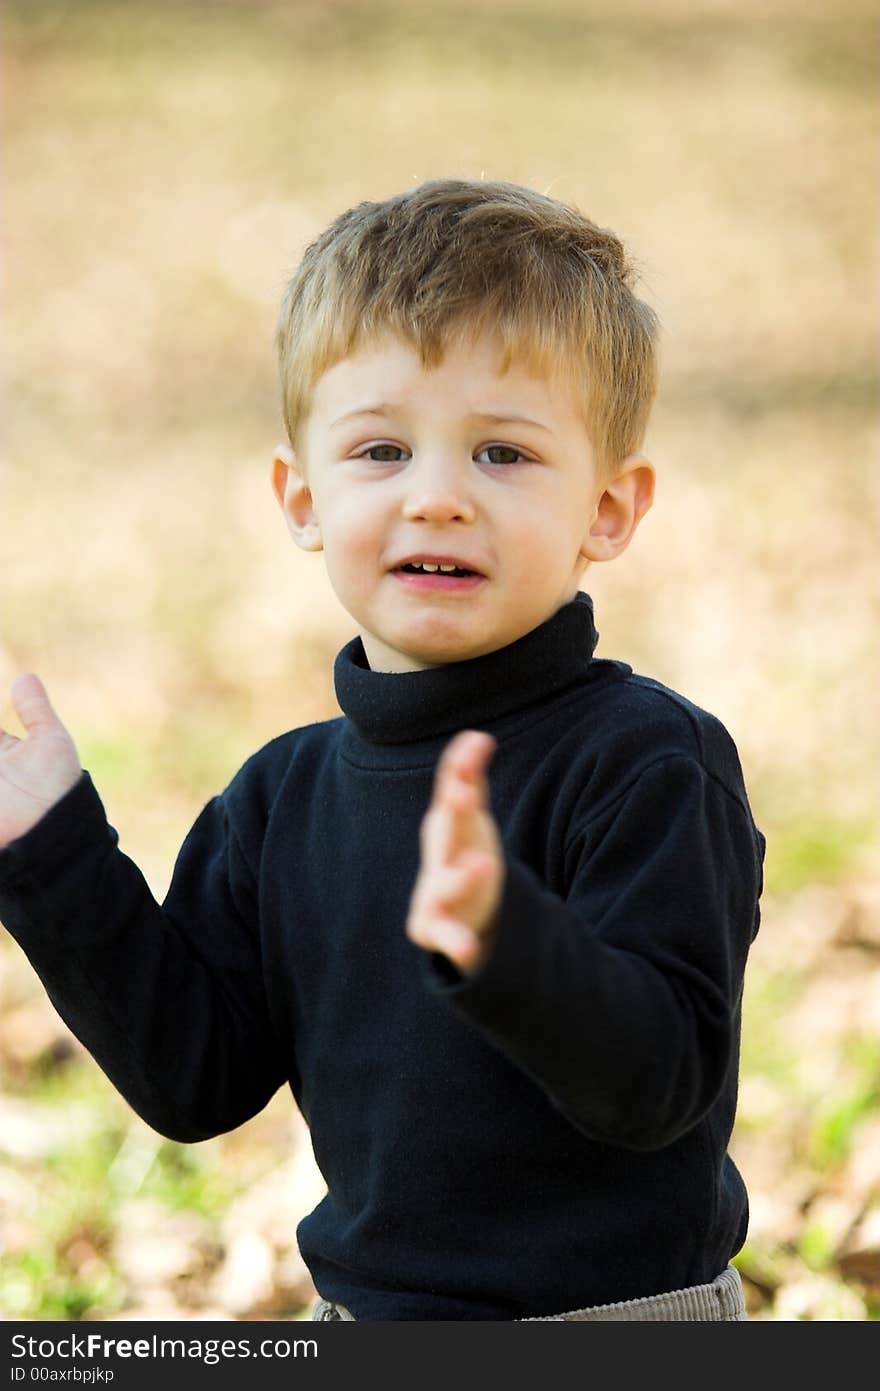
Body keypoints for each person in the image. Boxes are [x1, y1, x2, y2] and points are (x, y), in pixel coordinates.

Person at [0, 177, 764, 1322]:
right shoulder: (282, 794)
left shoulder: (647, 760)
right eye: (380, 450)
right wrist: (50, 850)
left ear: (608, 508)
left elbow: (655, 1084)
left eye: (502, 453)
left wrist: (512, 944)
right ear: (301, 498)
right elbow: (192, 1076)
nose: (438, 497)